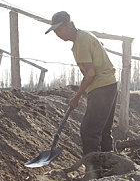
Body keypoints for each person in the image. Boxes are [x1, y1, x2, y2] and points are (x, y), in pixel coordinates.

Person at [45, 11, 118, 157]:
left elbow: (90, 73)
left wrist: (77, 97)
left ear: (70, 24)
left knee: (89, 131)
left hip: (101, 87)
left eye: (60, 30)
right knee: (102, 130)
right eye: (55, 31)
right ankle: (110, 163)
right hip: (109, 84)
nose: (58, 34)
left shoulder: (81, 42)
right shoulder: (84, 37)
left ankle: (94, 170)